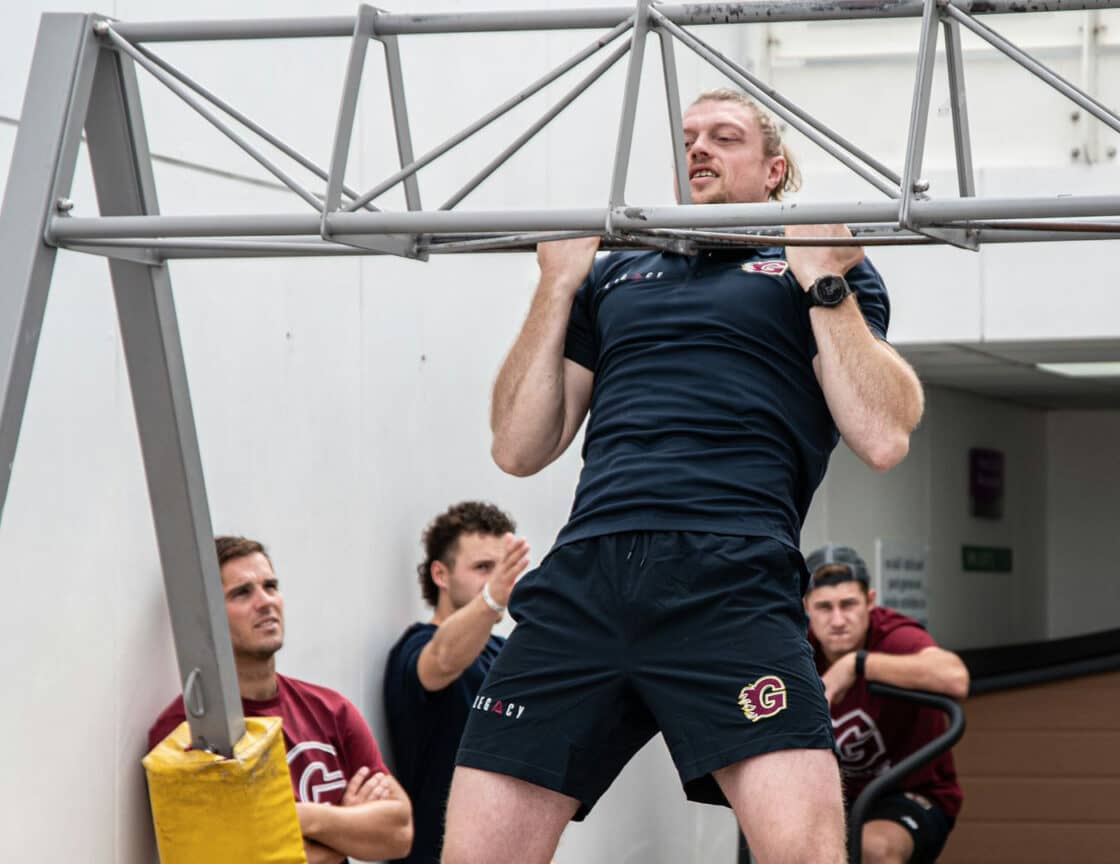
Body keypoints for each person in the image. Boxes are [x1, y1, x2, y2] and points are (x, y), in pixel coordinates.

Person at [448, 88, 925, 864]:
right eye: (689, 138)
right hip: (587, 576)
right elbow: (517, 448)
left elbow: (883, 435)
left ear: (774, 171)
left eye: (724, 137)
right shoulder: (616, 275)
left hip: (729, 576)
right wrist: (555, 285)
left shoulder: (814, 275)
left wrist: (824, 281)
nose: (698, 148)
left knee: (805, 854)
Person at [148, 536, 412, 864]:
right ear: (207, 616)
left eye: (270, 587)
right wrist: (347, 829)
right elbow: (235, 858)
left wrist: (305, 818)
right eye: (242, 593)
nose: (265, 602)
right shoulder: (186, 733)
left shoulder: (331, 710)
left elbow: (399, 832)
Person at [383, 502, 529, 864]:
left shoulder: (506, 652)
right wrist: (492, 599)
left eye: (502, 569)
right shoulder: (416, 646)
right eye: (482, 568)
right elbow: (443, 659)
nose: (498, 581)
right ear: (440, 574)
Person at [803, 545, 968, 864]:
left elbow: (955, 678)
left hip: (910, 792)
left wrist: (857, 664)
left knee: (872, 849)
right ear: (806, 607)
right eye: (824, 607)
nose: (838, 620)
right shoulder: (798, 647)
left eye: (848, 604)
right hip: (831, 797)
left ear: (870, 602)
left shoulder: (893, 635)